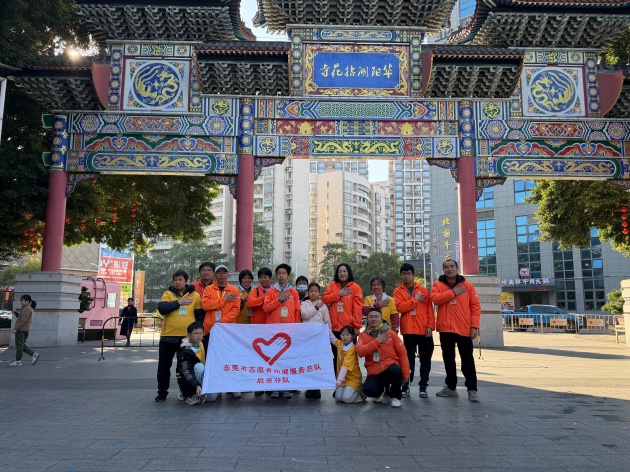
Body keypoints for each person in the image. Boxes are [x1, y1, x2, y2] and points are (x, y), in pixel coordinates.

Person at [431, 260, 481, 402]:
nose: (449, 269)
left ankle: (472, 389)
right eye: (446, 267)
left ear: (457, 268)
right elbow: (436, 299)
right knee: (448, 360)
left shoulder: (467, 285)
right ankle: (451, 387)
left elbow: (475, 307)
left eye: (452, 266)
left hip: (463, 328)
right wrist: (453, 292)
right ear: (443, 270)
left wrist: (474, 326)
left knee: (467, 360)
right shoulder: (438, 284)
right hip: (445, 329)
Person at [155, 270, 204, 402]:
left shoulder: (195, 295)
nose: (177, 282)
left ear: (186, 281)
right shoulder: (167, 294)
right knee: (164, 367)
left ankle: (186, 391)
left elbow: (199, 316)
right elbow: (162, 309)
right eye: (175, 280)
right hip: (168, 337)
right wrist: (179, 302)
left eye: (180, 279)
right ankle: (162, 393)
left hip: (187, 339)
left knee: (186, 367)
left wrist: (198, 334)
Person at [393, 263, 434, 399]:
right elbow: (400, 307)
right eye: (404, 273)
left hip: (424, 330)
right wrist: (415, 300)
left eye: (409, 273)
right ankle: (406, 385)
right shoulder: (397, 291)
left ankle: (423, 385)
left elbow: (429, 310)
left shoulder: (423, 290)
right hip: (408, 331)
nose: (406, 276)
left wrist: (430, 326)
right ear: (400, 275)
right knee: (408, 360)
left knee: (425, 360)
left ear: (413, 275)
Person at [356, 308, 409, 408]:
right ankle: (381, 390)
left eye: (376, 317)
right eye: (371, 317)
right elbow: (360, 352)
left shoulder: (390, 333)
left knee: (396, 371)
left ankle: (395, 397)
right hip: (374, 370)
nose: (373, 319)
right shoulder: (363, 335)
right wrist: (377, 341)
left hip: (390, 366)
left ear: (381, 319)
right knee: (368, 390)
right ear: (367, 319)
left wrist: (406, 374)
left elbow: (402, 353)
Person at [201, 264, 241, 399]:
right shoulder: (209, 289)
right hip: (210, 330)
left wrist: (222, 321)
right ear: (215, 275)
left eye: (224, 272)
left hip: (228, 331)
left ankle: (233, 387)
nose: (222, 275)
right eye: (219, 272)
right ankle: (215, 387)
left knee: (230, 360)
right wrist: (224, 300)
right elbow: (206, 305)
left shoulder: (234, 290)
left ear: (227, 275)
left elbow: (236, 309)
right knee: (212, 360)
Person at [263, 263, 301, 399]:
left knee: (287, 360)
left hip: (289, 331)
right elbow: (266, 308)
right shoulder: (270, 291)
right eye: (279, 273)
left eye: (284, 273)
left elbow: (297, 312)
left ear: (288, 275)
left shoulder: (294, 292)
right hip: (273, 331)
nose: (281, 276)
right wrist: (279, 299)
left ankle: (286, 388)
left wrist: (296, 329)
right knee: (274, 359)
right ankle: (274, 387)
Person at [322, 263, 362, 374]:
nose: (342, 273)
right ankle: (337, 381)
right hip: (335, 328)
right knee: (337, 356)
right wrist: (338, 294)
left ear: (349, 273)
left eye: (344, 271)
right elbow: (324, 299)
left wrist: (357, 326)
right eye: (340, 271)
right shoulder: (332, 285)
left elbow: (358, 309)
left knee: (350, 356)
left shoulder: (355, 288)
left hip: (349, 329)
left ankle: (352, 381)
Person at [301, 282, 331, 399]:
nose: (313, 293)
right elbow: (304, 315)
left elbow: (327, 321)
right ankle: (309, 387)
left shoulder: (323, 306)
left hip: (319, 339)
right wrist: (316, 307)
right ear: (308, 292)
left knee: (317, 363)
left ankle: (317, 387)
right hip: (307, 338)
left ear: (319, 293)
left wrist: (328, 335)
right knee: (308, 362)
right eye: (311, 291)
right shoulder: (304, 303)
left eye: (316, 291)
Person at [246, 267, 273, 397]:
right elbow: (249, 303)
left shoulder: (275, 290)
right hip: (257, 327)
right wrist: (264, 299)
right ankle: (259, 385)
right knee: (258, 358)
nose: (263, 279)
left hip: (272, 327)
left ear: (270, 278)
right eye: (261, 277)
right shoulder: (255, 291)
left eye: (265, 277)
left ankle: (271, 384)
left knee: (272, 357)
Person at [176, 322, 212, 405]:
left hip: (203, 376)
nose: (198, 336)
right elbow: (186, 371)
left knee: (212, 397)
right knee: (199, 367)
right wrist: (196, 385)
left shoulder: (205, 344)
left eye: (201, 333)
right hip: (188, 378)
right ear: (189, 335)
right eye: (196, 333)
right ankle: (191, 394)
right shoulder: (184, 349)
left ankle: (198, 392)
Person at [329, 326, 364, 403]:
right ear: (340, 336)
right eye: (343, 335)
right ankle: (350, 391)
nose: (345, 337)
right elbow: (332, 338)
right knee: (338, 398)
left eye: (347, 335)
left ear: (353, 336)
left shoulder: (352, 349)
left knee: (346, 399)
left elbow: (345, 367)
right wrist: (327, 327)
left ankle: (361, 393)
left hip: (353, 378)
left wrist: (338, 381)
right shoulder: (340, 344)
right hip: (344, 379)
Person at [9, 295, 39, 367]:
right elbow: (22, 318)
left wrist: (15, 328)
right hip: (24, 329)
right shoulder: (26, 308)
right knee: (21, 345)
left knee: (19, 345)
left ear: (27, 301)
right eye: (21, 300)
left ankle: (18, 361)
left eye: (22, 300)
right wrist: (16, 313)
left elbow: (22, 320)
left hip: (21, 330)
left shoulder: (27, 309)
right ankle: (33, 355)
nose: (21, 302)